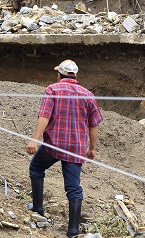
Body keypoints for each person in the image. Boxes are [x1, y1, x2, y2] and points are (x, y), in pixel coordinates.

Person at [26, 59, 103, 238]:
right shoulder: (88, 95)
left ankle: (38, 209)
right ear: (75, 76)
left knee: (36, 168)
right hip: (75, 148)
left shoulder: (52, 89)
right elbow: (94, 125)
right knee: (74, 188)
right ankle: (73, 231)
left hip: (54, 145)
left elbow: (44, 116)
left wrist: (34, 140)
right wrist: (92, 149)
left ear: (59, 74)